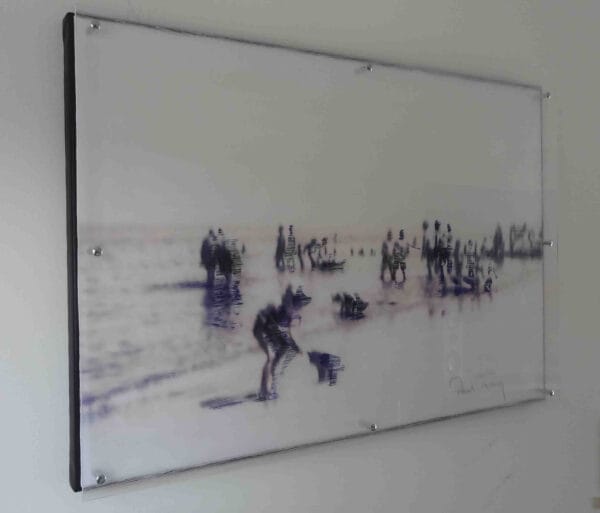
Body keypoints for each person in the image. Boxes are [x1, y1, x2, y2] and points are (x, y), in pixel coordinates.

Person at [253, 304, 301, 401]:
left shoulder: (283, 314)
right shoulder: (283, 316)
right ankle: (266, 392)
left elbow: (284, 335)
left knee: (273, 362)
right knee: (271, 361)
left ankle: (266, 390)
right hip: (264, 332)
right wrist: (295, 347)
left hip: (266, 331)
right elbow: (286, 334)